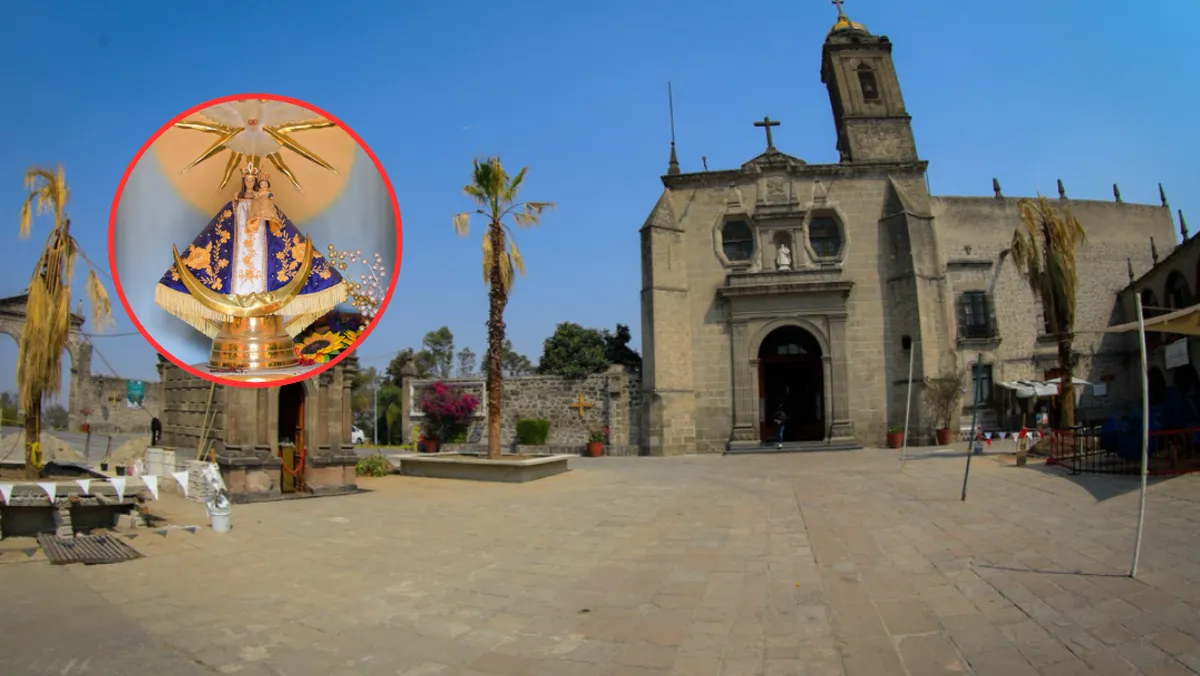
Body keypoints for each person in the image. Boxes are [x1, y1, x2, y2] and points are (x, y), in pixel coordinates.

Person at [155, 164, 347, 341]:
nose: (249, 182)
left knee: (264, 260)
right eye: (247, 180)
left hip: (262, 236)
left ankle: (263, 310)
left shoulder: (263, 202)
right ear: (243, 181)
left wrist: (263, 204)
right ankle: (238, 308)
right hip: (239, 236)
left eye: (252, 180)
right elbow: (217, 234)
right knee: (236, 260)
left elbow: (277, 227)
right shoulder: (233, 206)